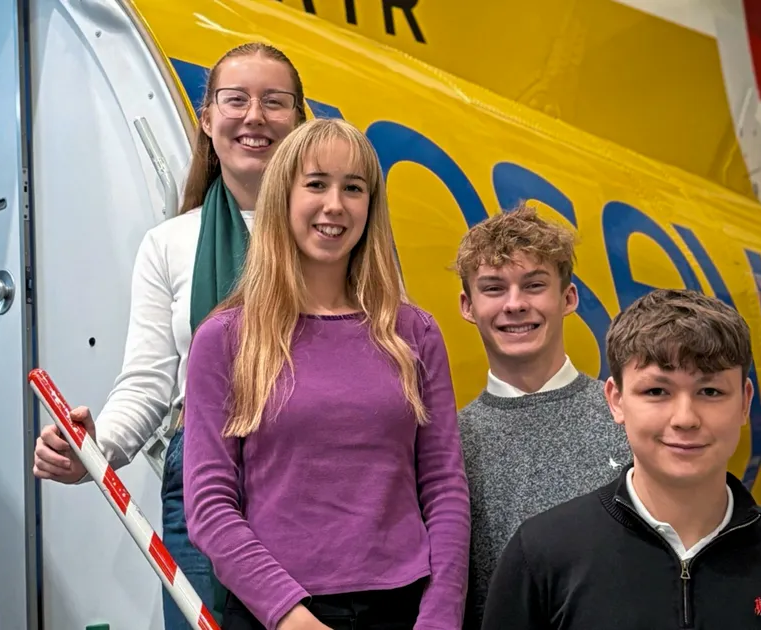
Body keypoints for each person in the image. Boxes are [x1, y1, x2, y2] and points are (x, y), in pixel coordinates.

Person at [31, 42, 308, 628]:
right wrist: (94, 449)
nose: (254, 116)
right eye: (235, 100)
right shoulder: (169, 244)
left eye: (275, 102)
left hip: (315, 471)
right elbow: (150, 381)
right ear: (207, 120)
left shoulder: (332, 232)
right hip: (204, 476)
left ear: (299, 122)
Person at [180, 118, 471, 630]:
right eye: (316, 184)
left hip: (403, 609)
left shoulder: (414, 333)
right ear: (282, 198)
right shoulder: (225, 339)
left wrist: (440, 616)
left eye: (353, 188)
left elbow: (445, 489)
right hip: (278, 615)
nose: (335, 205)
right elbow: (208, 506)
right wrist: (291, 616)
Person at [480, 289, 761, 629]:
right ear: (616, 400)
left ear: (745, 402)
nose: (685, 419)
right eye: (657, 391)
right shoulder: (542, 556)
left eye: (710, 391)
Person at [452, 204, 631, 629]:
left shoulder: (626, 418)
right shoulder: (449, 442)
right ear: (467, 305)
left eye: (534, 285)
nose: (515, 305)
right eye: (493, 288)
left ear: (568, 297)